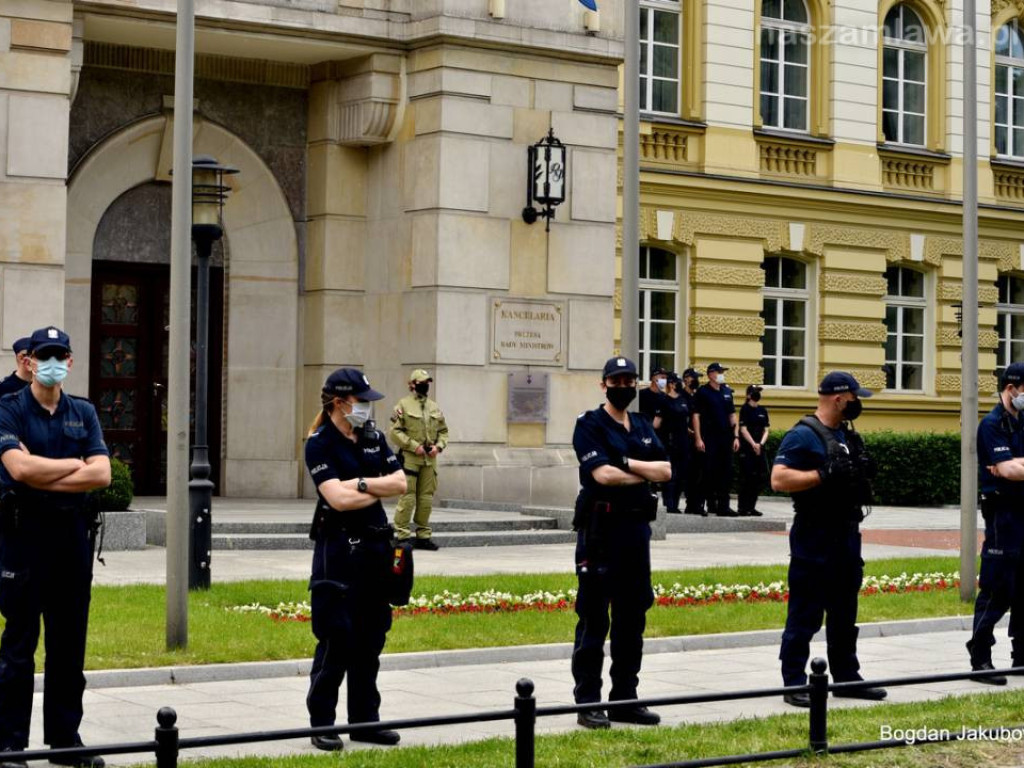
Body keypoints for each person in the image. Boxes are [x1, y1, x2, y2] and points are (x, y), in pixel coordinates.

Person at [0, 326, 111, 768]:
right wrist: (73, 464)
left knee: (68, 647)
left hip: (70, 541)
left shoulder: (82, 412)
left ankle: (66, 742)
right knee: (18, 647)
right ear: (30, 361)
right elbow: (18, 468)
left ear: (69, 361)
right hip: (23, 540)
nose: (51, 363)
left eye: (59, 355)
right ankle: (10, 745)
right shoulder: (8, 409)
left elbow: (102, 474)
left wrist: (45, 470)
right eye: (43, 355)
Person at [304, 368, 408, 751]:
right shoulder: (319, 443)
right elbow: (337, 500)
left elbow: (400, 484)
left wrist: (360, 484)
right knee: (337, 637)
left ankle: (365, 721)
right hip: (339, 551)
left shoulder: (372, 437)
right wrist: (369, 488)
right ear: (339, 402)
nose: (366, 407)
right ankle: (322, 722)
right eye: (360, 400)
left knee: (371, 638)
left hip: (376, 548)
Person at [771, 371, 886, 707]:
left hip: (847, 534)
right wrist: (822, 475)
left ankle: (847, 676)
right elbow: (778, 479)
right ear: (839, 398)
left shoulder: (846, 435)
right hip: (814, 535)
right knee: (805, 612)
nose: (857, 403)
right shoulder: (803, 435)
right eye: (854, 397)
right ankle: (793, 681)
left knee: (844, 612)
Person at [570, 356, 671, 730]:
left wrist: (627, 462)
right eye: (617, 380)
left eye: (630, 380)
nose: (624, 386)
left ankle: (625, 699)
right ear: (604, 385)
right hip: (600, 530)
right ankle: (588, 702)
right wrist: (640, 471)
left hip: (635, 533)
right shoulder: (589, 424)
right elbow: (603, 474)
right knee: (594, 617)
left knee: (633, 617)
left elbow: (666, 469)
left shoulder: (643, 425)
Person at [966, 362, 1024, 685]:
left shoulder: (1022, 421)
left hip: (1022, 512)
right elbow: (1005, 469)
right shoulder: (991, 424)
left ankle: (1021, 656)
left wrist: (1012, 466)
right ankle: (980, 657)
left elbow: (1012, 468)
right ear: (1011, 388)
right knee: (997, 587)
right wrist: (1009, 467)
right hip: (1003, 515)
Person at [387, 369, 448, 551]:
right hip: (410, 460)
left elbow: (444, 431)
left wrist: (438, 446)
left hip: (430, 461)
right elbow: (394, 432)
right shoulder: (403, 405)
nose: (425, 385)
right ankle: (402, 535)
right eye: (421, 382)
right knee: (408, 498)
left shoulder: (434, 407)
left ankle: (423, 536)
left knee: (426, 499)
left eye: (427, 382)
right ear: (412, 384)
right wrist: (415, 446)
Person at [693, 362, 739, 517]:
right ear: (711, 374)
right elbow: (696, 415)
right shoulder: (703, 392)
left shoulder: (726, 391)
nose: (721, 374)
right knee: (707, 471)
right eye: (718, 372)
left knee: (726, 472)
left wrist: (736, 436)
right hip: (709, 436)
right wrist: (698, 438)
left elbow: (732, 415)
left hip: (725, 436)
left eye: (722, 372)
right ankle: (700, 503)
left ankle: (723, 506)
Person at [659, 373, 691, 515]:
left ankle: (676, 504)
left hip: (683, 441)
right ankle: (669, 504)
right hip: (669, 441)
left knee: (682, 475)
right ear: (671, 384)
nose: (679, 385)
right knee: (671, 475)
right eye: (676, 382)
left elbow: (686, 420)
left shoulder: (683, 400)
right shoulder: (664, 400)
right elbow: (656, 423)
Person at [737, 385, 769, 517]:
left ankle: (752, 506)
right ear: (748, 395)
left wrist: (760, 444)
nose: (758, 394)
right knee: (747, 477)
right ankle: (743, 507)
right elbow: (743, 429)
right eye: (755, 392)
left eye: (759, 392)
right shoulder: (745, 409)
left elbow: (766, 430)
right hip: (747, 448)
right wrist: (753, 444)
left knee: (758, 478)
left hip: (759, 448)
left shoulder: (763, 410)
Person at [680, 368, 706, 516]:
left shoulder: (697, 396)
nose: (696, 380)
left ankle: (696, 504)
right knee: (688, 474)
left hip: (698, 439)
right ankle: (689, 504)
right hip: (686, 440)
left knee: (698, 473)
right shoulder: (681, 396)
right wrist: (693, 433)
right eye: (694, 378)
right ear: (686, 379)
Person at [638, 366, 669, 442]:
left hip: (661, 437)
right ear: (653, 378)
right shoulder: (642, 395)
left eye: (665, 378)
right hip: (645, 435)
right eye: (662, 377)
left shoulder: (665, 397)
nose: (664, 380)